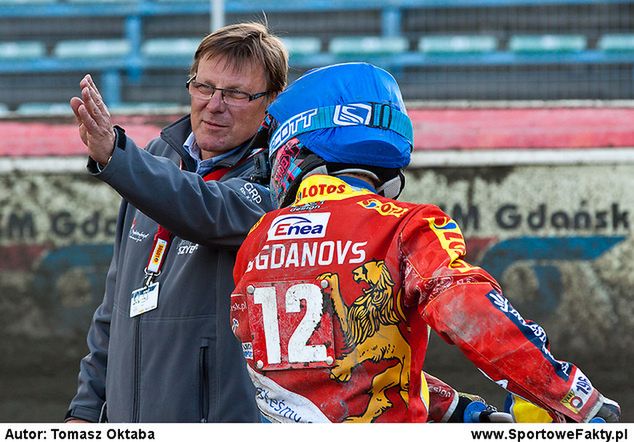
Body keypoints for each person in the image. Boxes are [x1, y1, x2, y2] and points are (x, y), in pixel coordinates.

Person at [229, 62, 621, 423]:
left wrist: (456, 408)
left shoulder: (257, 239)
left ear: (294, 143)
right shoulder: (407, 225)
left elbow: (334, 363)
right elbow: (467, 309)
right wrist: (568, 393)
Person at [64, 22, 288, 423]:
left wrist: (118, 157)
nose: (214, 104)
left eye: (235, 93)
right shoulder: (155, 160)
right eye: (204, 87)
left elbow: (204, 207)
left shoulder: (276, 179)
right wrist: (84, 409)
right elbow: (113, 306)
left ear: (272, 101)